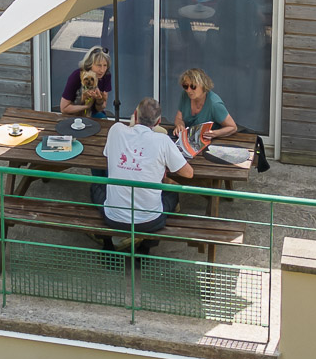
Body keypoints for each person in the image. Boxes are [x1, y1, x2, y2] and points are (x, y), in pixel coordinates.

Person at [90, 97, 197, 253]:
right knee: (172, 194)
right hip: (150, 221)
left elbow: (108, 154)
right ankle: (145, 248)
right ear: (159, 121)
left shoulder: (116, 130)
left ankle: (108, 244)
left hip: (113, 217)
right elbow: (188, 174)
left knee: (96, 187)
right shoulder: (163, 140)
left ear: (134, 114)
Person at [173, 68, 239, 139]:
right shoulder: (185, 95)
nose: (188, 90)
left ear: (203, 85)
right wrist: (180, 125)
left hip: (209, 140)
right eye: (185, 86)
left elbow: (232, 127)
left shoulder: (214, 103)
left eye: (193, 86)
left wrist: (215, 133)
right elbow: (179, 118)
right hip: (190, 138)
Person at [60, 46, 112, 118]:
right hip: (75, 113)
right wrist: (86, 106)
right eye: (99, 65)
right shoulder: (77, 75)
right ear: (90, 64)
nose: (102, 70)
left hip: (94, 113)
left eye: (105, 65)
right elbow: (64, 108)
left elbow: (100, 108)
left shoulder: (106, 76)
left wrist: (99, 99)